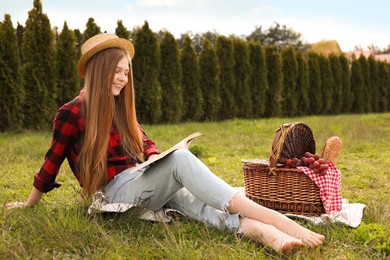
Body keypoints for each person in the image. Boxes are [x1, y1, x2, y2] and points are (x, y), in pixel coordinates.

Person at [5, 33, 325, 254]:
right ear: (99, 71)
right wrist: (28, 204)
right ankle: (276, 219)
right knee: (181, 162)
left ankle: (264, 233)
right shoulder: (72, 111)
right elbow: (51, 163)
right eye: (116, 72)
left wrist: (157, 159)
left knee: (195, 199)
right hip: (116, 195)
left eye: (126, 73)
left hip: (144, 182)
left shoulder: (120, 107)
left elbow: (148, 146)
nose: (122, 79)